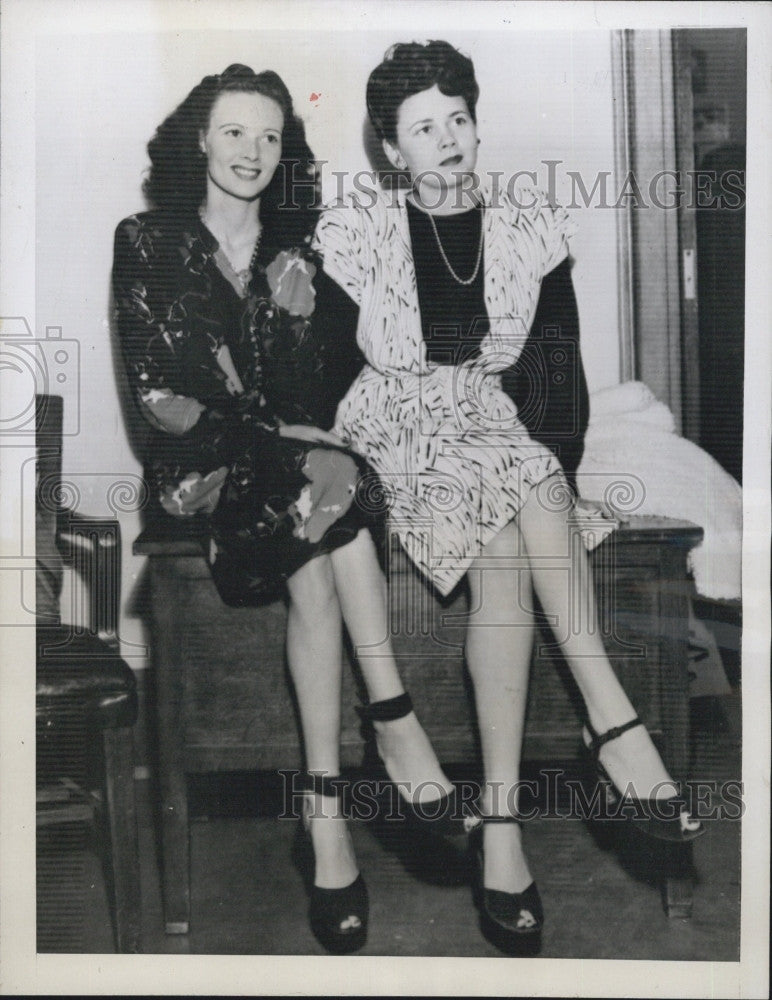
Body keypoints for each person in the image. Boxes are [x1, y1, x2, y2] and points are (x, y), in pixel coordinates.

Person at [313, 40, 705, 956]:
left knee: (525, 487)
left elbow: (554, 380)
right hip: (394, 422)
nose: (447, 139)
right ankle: (612, 725)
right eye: (422, 127)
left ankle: (502, 824)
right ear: (390, 149)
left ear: (476, 124)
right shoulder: (356, 229)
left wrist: (555, 478)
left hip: (491, 431)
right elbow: (327, 375)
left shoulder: (529, 225)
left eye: (458, 118)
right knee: (520, 477)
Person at [112, 63, 465, 955]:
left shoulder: (298, 247)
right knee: (329, 478)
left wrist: (296, 421)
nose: (253, 152)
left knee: (320, 552)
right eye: (235, 132)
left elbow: (310, 383)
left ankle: (325, 820)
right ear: (199, 139)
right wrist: (275, 427)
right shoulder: (147, 240)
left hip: (295, 477)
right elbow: (163, 394)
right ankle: (393, 722)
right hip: (196, 471)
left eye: (271, 136)